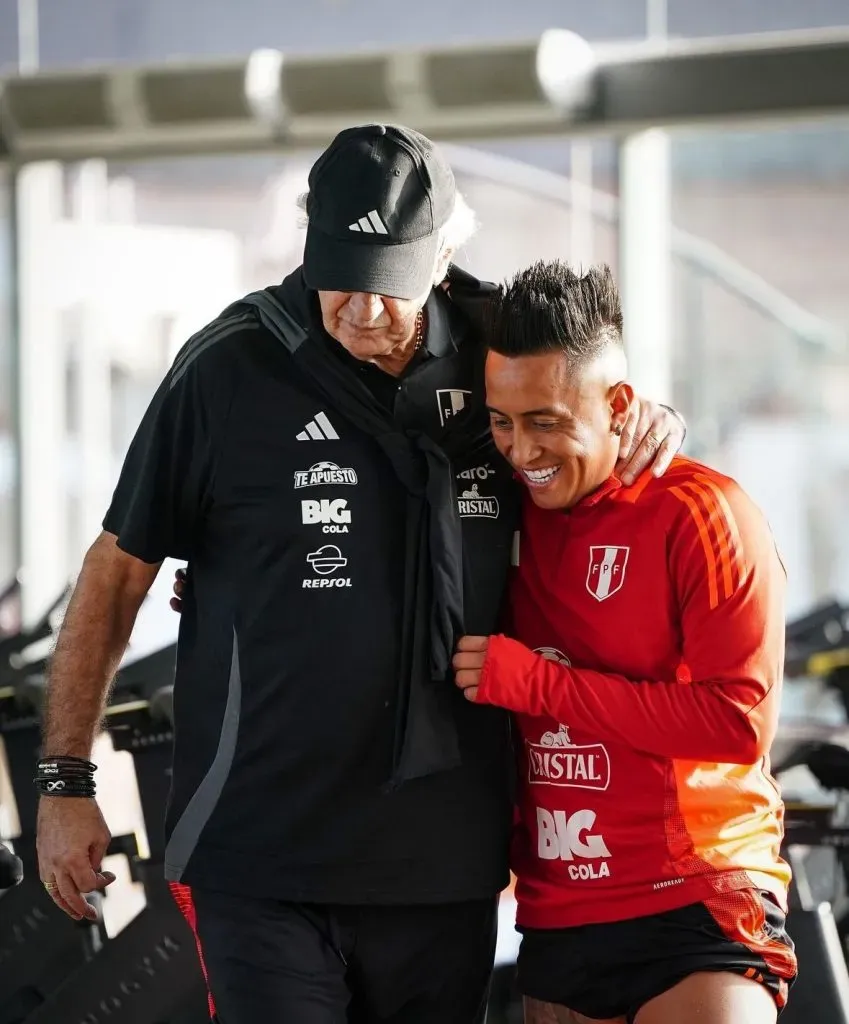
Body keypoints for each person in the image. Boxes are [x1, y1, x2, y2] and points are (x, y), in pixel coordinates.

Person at [35, 125, 686, 1024]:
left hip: (445, 856)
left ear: (446, 254)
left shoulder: (501, 347)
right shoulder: (227, 369)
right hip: (260, 851)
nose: (363, 309)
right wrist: (66, 781)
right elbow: (116, 573)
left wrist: (645, 419)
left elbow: (592, 416)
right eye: (341, 273)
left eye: (391, 282)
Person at [453, 260, 796, 1024]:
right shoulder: (497, 508)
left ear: (617, 406)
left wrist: (534, 684)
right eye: (501, 422)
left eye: (544, 421)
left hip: (699, 898)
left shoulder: (702, 512)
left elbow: (735, 725)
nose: (519, 450)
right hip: (557, 912)